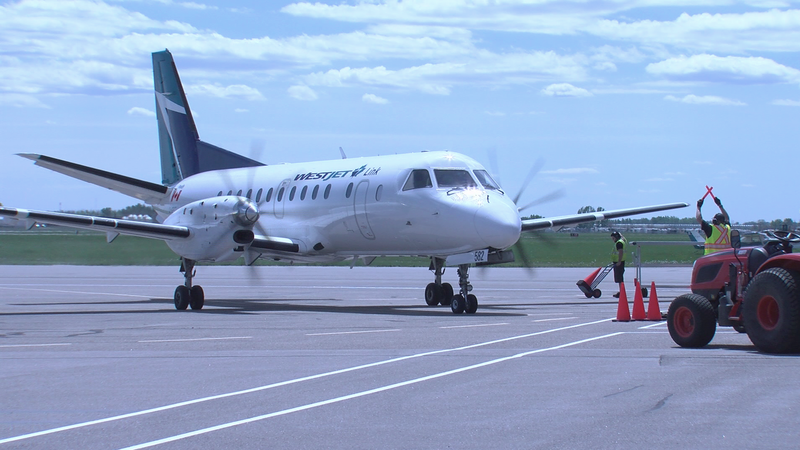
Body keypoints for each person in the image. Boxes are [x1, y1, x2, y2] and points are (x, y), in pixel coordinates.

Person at [610, 231, 626, 298]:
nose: (612, 240)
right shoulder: (622, 241)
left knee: (619, 278)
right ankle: (621, 291)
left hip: (619, 262)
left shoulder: (619, 243)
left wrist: (619, 261)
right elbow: (624, 238)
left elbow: (620, 252)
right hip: (619, 262)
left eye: (613, 238)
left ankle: (622, 292)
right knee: (619, 278)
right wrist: (620, 234)